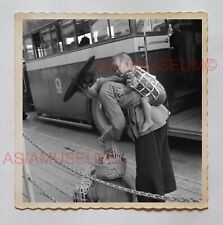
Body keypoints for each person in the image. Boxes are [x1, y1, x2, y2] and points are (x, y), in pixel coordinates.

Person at [98, 80, 176, 202]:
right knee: (159, 162)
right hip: (160, 117)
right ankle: (160, 197)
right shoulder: (115, 82)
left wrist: (105, 136)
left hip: (147, 126)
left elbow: (118, 125)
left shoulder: (105, 90)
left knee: (147, 171)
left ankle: (151, 207)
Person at [88, 52, 167, 133]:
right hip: (160, 91)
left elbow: (132, 84)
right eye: (115, 70)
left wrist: (123, 90)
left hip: (157, 94)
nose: (116, 72)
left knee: (144, 100)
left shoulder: (129, 74)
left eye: (117, 68)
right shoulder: (135, 69)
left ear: (126, 63)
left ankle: (148, 121)